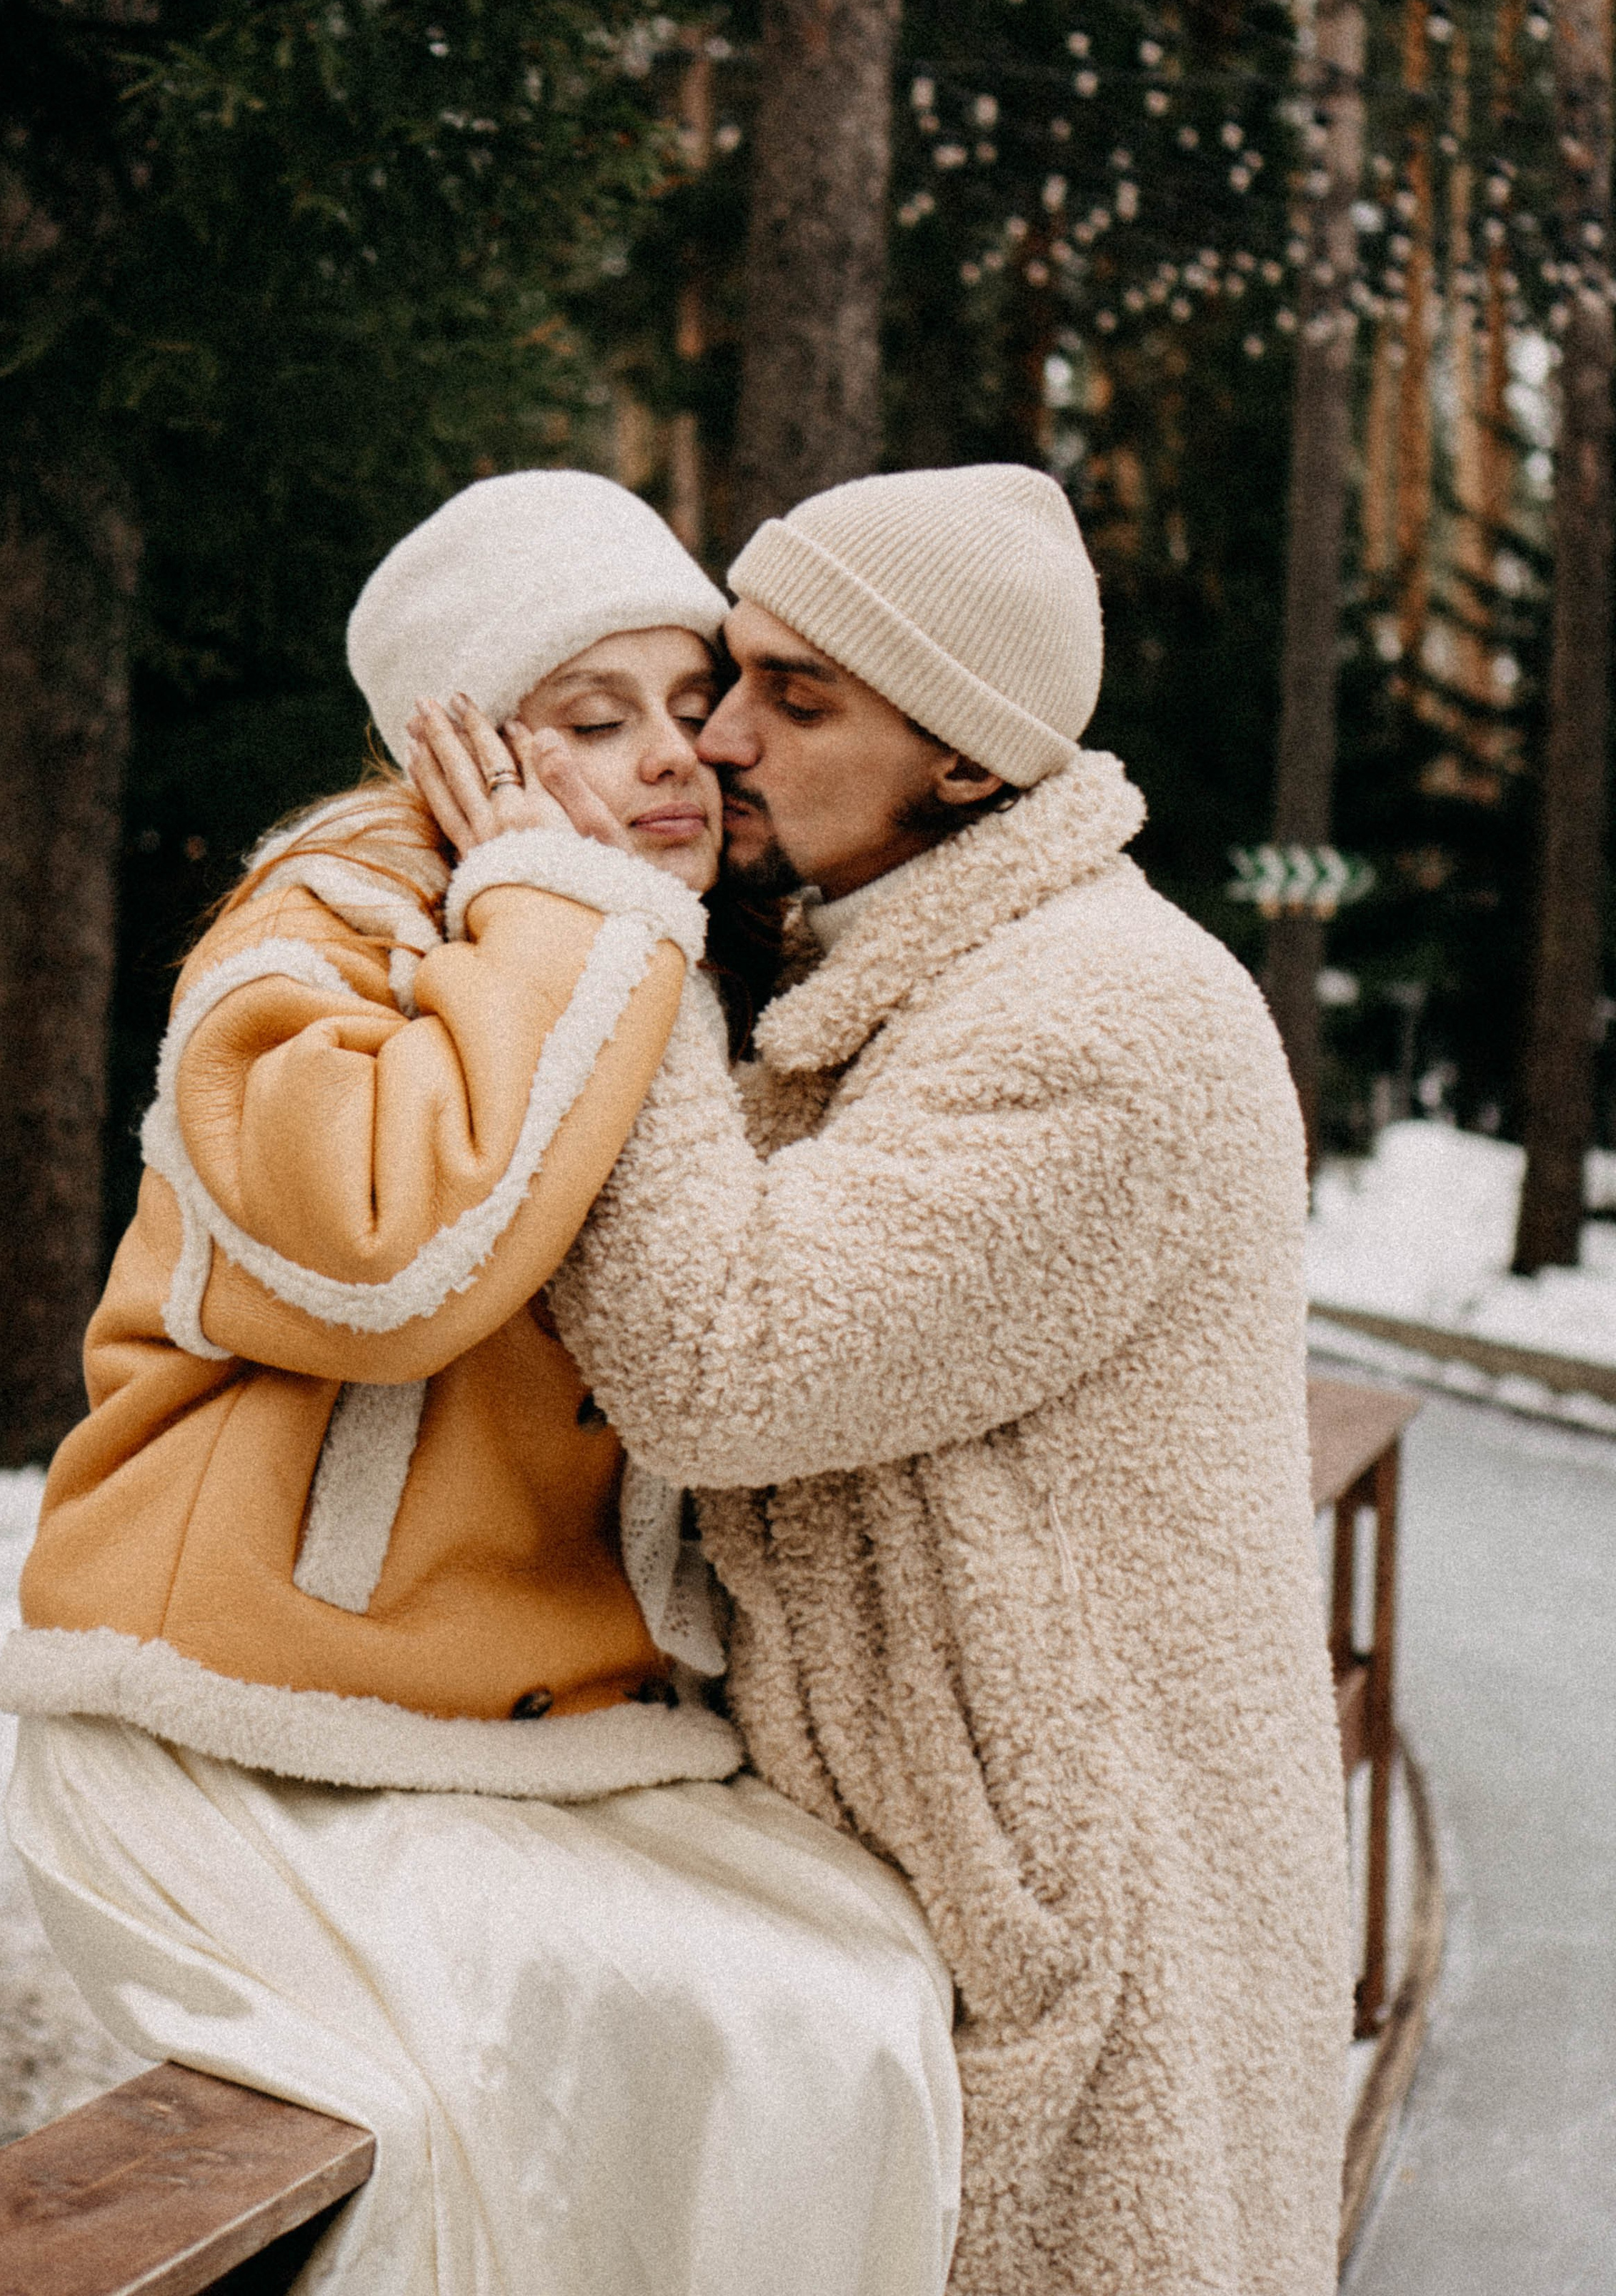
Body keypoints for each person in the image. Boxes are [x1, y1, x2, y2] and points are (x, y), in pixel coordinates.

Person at [0, 470, 963, 2296]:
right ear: (448, 750)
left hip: (542, 1741)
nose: (673, 757)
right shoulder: (314, 933)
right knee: (614, 2073)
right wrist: (562, 906)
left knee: (861, 2000)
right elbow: (384, 1254)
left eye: (691, 704)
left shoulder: (661, 952)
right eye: (590, 719)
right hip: (247, 1724)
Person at [456, 464, 1353, 2296]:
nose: (717, 738)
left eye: (796, 699)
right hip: (936, 1883)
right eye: (733, 671)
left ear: (961, 761)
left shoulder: (1100, 1018)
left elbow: (723, 1367)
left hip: (1083, 1917)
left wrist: (594, 919)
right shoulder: (900, 973)